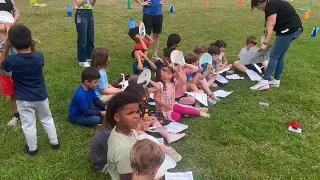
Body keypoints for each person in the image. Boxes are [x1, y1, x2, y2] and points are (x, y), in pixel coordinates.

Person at [0, 24, 60, 155]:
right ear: (30, 40)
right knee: (47, 119)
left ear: (12, 44)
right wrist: (33, 47)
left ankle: (32, 148)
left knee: (28, 124)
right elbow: (34, 55)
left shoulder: (12, 60)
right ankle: (55, 142)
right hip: (41, 96)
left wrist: (5, 49)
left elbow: (2, 65)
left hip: (23, 99)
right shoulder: (39, 57)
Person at [250, 0, 303, 90]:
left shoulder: (271, 5)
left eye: (257, 6)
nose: (258, 9)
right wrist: (264, 41)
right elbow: (268, 26)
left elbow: (271, 24)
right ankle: (276, 81)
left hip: (288, 30)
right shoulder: (272, 4)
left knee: (273, 55)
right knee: (280, 56)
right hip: (294, 29)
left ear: (261, 2)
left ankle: (264, 81)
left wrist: (265, 43)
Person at [106, 91, 141, 180]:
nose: (136, 116)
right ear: (117, 117)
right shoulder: (124, 150)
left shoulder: (122, 129)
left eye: (137, 111)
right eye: (130, 113)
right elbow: (127, 178)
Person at [74, 0, 96, 67]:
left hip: (90, 13)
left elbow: (92, 4)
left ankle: (89, 57)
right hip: (81, 13)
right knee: (83, 38)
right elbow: (78, 4)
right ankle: (82, 60)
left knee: (90, 37)